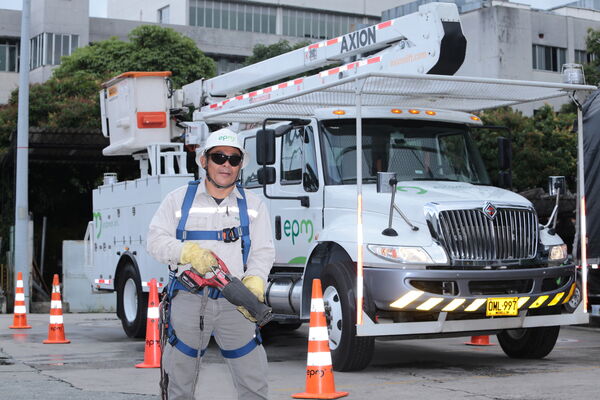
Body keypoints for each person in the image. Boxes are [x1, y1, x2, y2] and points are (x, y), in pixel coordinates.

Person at [147, 128, 275, 400]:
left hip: (237, 302)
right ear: (204, 161)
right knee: (179, 380)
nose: (226, 165)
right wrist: (187, 251)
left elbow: (263, 251)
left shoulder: (253, 205)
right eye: (219, 157)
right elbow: (155, 240)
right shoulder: (178, 200)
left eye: (234, 159)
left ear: (241, 165)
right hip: (189, 300)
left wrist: (255, 280)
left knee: (254, 380)